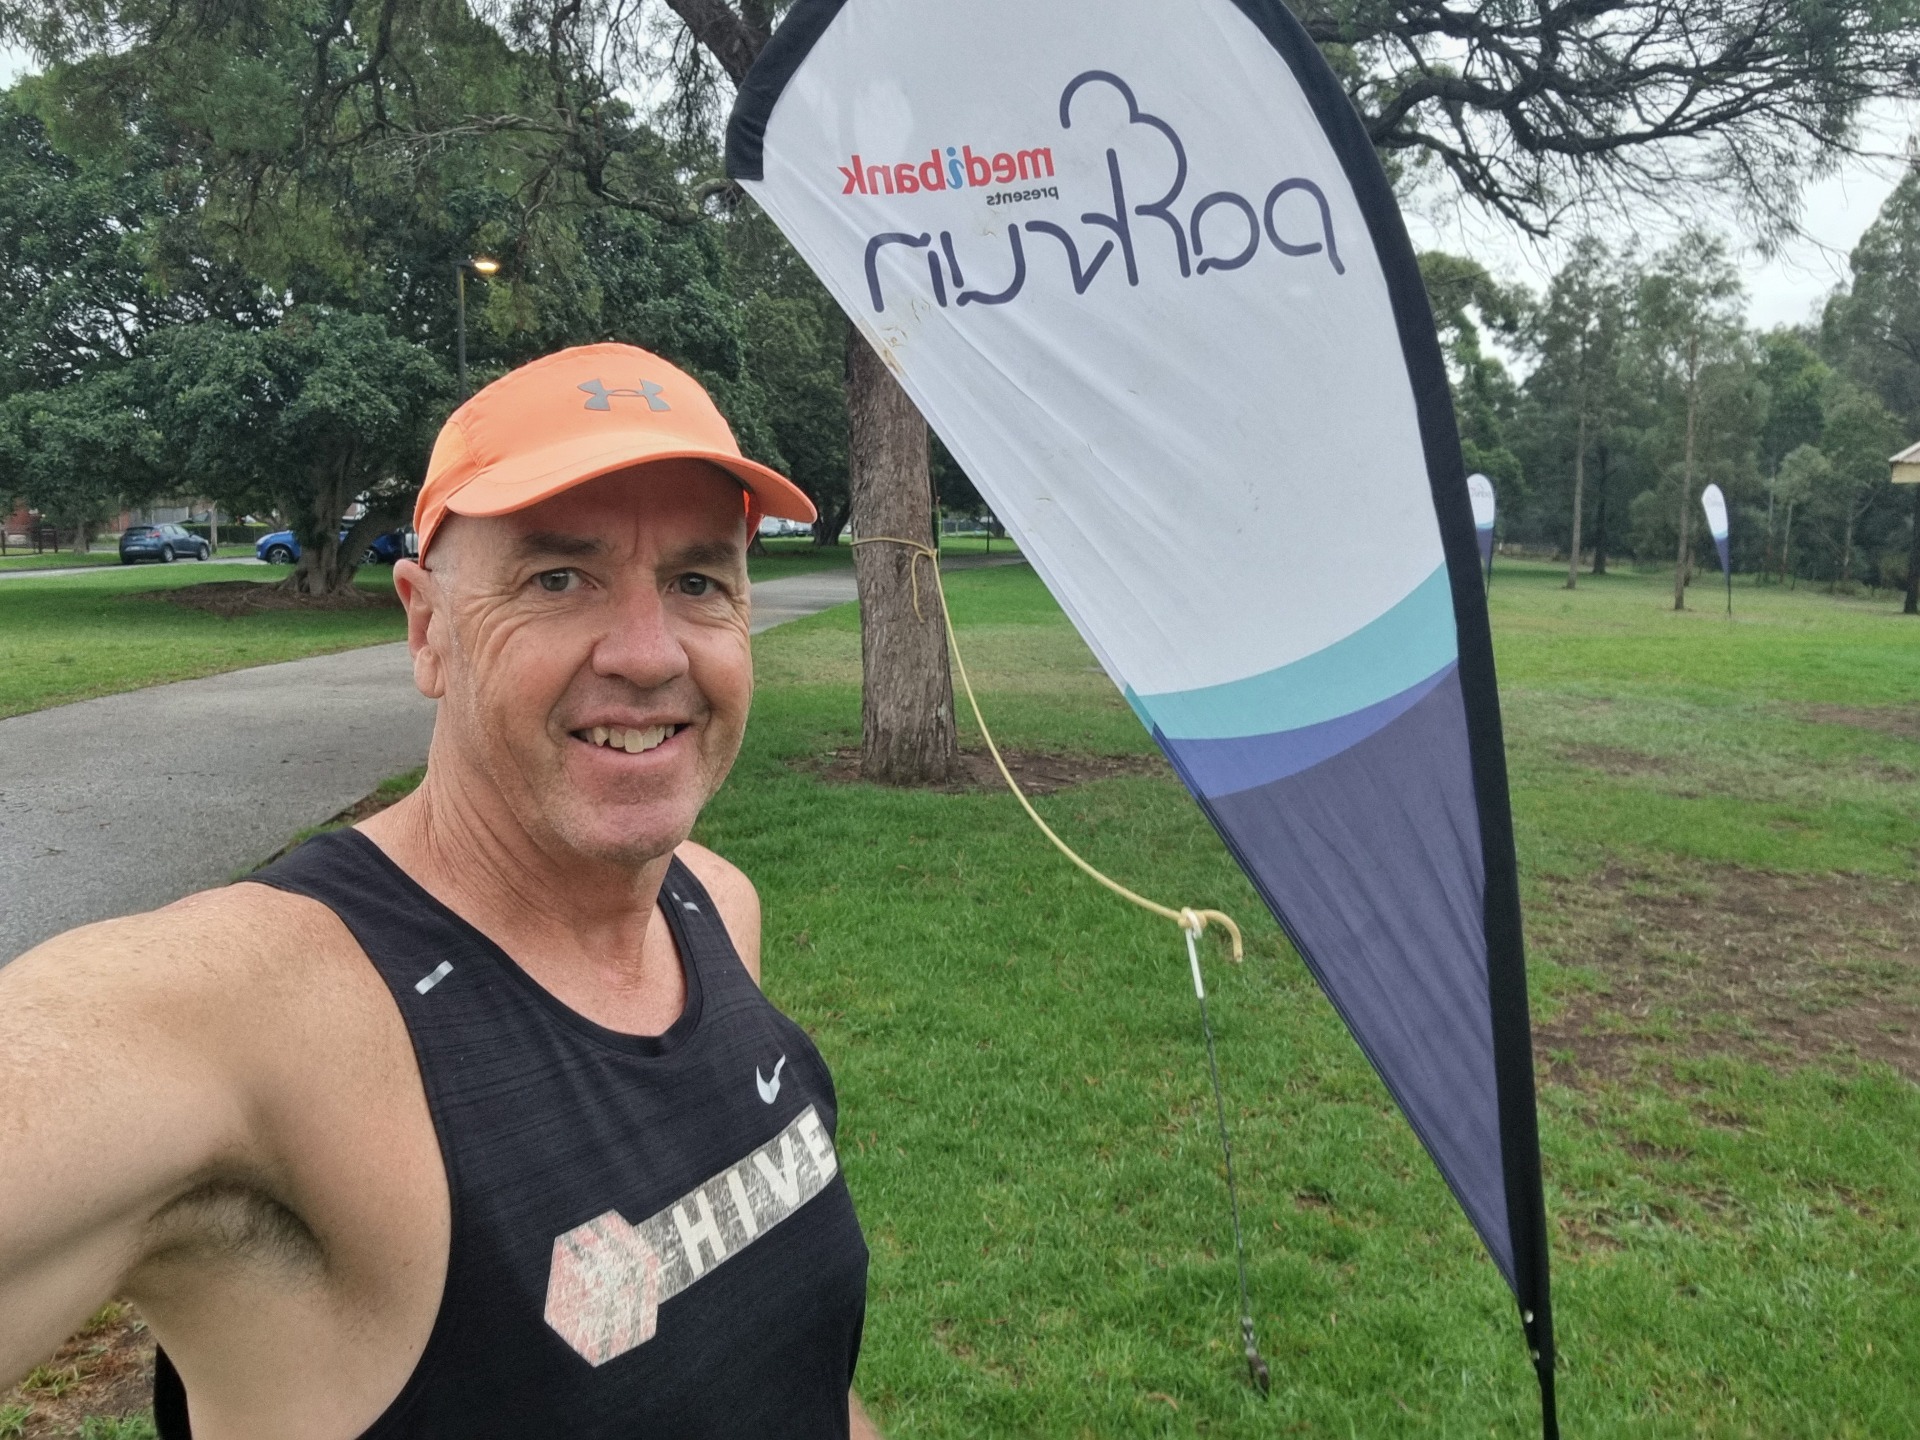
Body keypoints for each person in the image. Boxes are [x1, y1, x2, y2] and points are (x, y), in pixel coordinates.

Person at [0, 344, 880, 1438]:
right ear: (427, 627)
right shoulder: (268, 1019)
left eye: (698, 581)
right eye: (559, 578)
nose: (652, 654)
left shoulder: (715, 905)